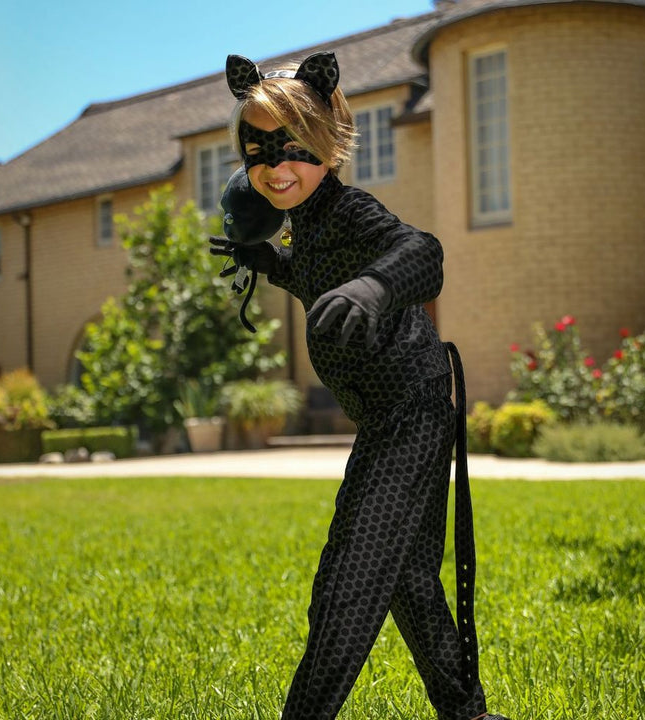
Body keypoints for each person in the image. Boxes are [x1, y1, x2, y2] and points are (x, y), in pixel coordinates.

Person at [211, 50, 509, 720]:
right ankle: (467, 713)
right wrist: (270, 261)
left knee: (350, 575)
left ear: (326, 144)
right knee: (407, 577)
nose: (276, 168)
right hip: (388, 417)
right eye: (258, 152)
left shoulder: (350, 211)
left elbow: (424, 252)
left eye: (292, 149)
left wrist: (375, 287)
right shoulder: (310, 226)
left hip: (411, 410)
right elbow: (314, 276)